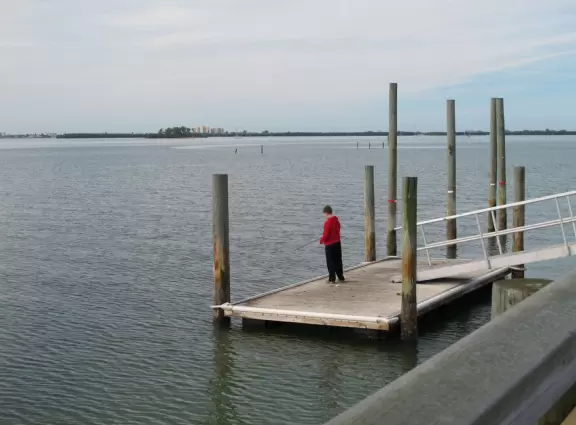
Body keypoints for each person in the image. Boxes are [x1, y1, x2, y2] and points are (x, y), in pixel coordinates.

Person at [319, 205, 345, 283]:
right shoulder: (336, 221)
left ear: (326, 213)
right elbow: (337, 230)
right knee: (338, 261)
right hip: (337, 243)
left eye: (324, 214)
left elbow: (326, 235)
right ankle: (340, 277)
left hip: (330, 245)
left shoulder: (327, 223)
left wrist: (321, 240)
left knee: (330, 262)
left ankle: (332, 278)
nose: (324, 216)